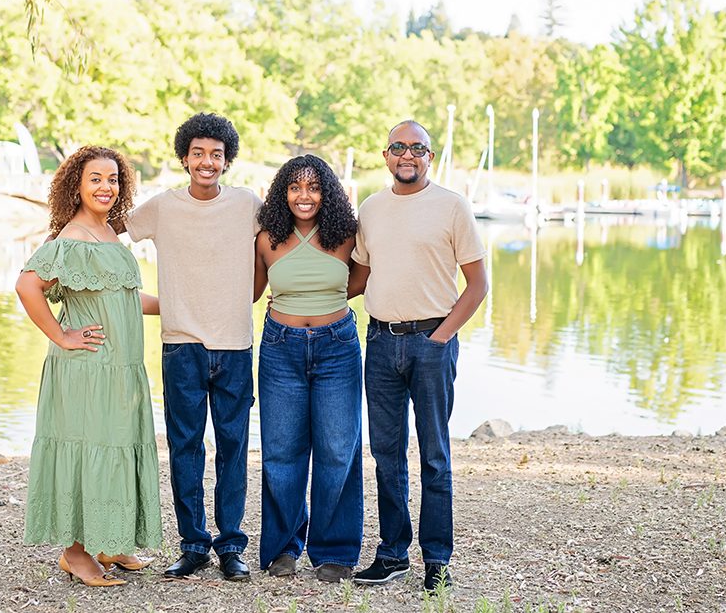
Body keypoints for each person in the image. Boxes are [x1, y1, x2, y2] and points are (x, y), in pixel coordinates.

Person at [349, 121, 488, 592]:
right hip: (381, 343)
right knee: (386, 454)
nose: (406, 155)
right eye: (397, 147)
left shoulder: (452, 206)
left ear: (429, 156)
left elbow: (477, 285)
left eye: (417, 148)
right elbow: (358, 278)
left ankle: (437, 559)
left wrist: (442, 338)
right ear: (385, 155)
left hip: (432, 341)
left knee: (434, 456)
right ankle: (392, 555)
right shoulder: (370, 208)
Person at [16, 146, 162, 588]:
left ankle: (108, 540)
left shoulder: (110, 234)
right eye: (96, 178)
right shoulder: (71, 238)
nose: (106, 187)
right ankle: (75, 554)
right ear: (76, 185)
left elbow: (124, 298)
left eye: (114, 179)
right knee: (87, 451)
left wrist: (180, 309)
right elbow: (27, 286)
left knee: (116, 445)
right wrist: (61, 336)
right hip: (85, 369)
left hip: (121, 369)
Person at [126, 113, 261, 581]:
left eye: (216, 155)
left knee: (233, 448)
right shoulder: (162, 206)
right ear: (185, 158)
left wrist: (251, 292)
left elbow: (275, 248)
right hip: (181, 344)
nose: (207, 162)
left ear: (227, 161)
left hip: (235, 346)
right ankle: (193, 545)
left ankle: (230, 546)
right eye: (199, 153)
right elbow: (108, 233)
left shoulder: (248, 204)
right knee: (185, 448)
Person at [252, 155, 363, 583]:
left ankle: (333, 550)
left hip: (337, 346)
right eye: (295, 188)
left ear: (327, 193)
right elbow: (253, 291)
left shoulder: (346, 236)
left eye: (313, 187)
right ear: (283, 193)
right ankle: (282, 548)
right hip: (281, 348)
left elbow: (359, 281)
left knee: (339, 449)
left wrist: (323, 307)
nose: (304, 196)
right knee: (282, 451)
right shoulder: (266, 238)